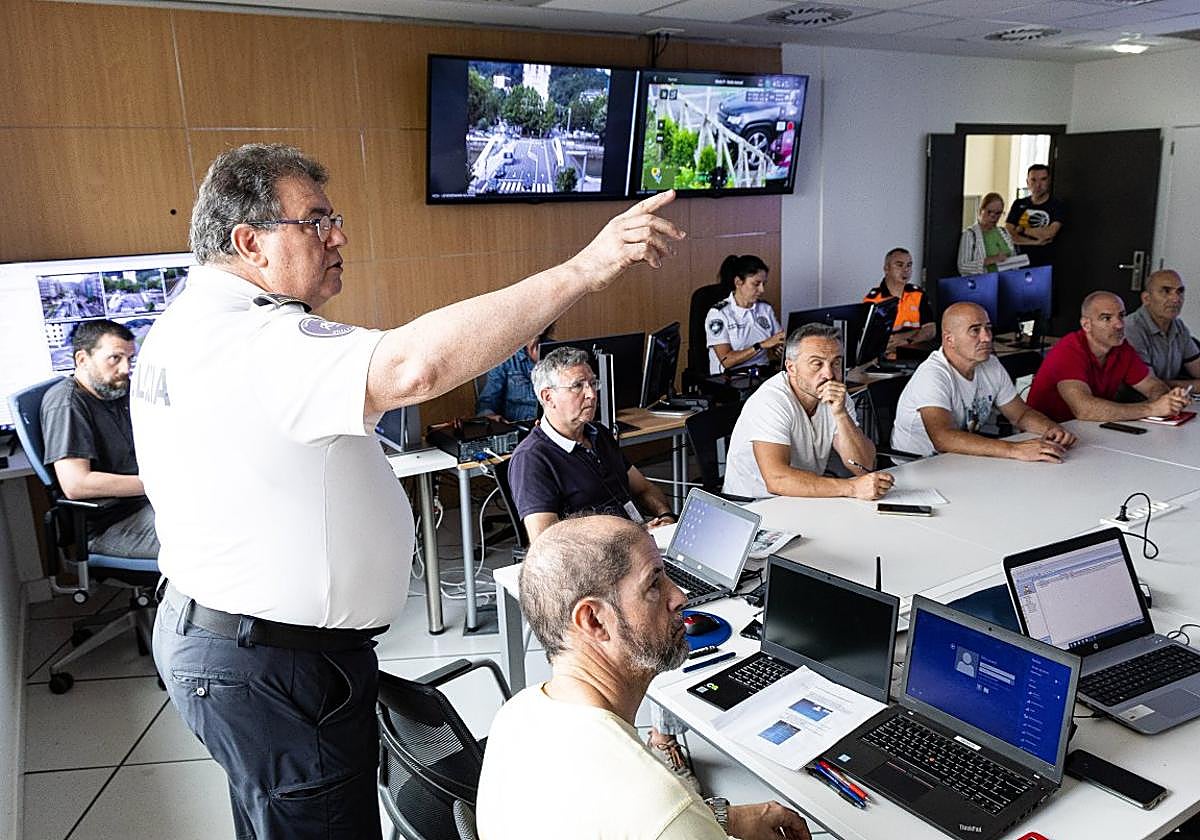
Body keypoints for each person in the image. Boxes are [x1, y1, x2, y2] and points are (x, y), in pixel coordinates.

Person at [132, 143, 683, 840]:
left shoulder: (187, 325)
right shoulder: (254, 340)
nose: (339, 237)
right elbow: (416, 367)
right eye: (316, 221)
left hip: (230, 643)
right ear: (250, 241)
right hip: (273, 664)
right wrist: (585, 269)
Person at [475, 514, 812, 840]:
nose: (680, 597)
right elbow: (657, 818)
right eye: (654, 584)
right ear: (593, 621)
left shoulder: (515, 715)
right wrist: (687, 821)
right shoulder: (659, 806)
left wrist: (717, 818)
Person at [723, 323, 892, 500]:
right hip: (756, 505)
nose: (829, 374)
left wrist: (841, 415)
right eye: (816, 364)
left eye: (836, 363)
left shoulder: (835, 394)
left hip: (802, 498)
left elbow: (864, 466)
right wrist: (851, 487)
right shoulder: (770, 401)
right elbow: (777, 480)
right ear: (791, 368)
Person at [892, 302, 1077, 460]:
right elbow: (943, 439)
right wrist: (1015, 450)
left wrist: (1051, 429)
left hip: (959, 461)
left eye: (988, 328)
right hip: (919, 466)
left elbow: (1020, 414)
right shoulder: (932, 375)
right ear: (949, 339)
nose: (987, 337)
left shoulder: (990, 364)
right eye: (975, 331)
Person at [40, 319, 159, 558]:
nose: (126, 369)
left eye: (129, 359)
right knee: (216, 539)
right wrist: (160, 484)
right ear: (82, 360)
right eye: (115, 358)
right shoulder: (67, 404)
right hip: (113, 525)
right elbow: (76, 484)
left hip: (143, 507)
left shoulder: (114, 391)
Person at [1026, 291, 1189, 423]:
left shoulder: (1121, 348)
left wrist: (1167, 401)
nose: (1119, 324)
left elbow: (1153, 385)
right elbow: (1084, 409)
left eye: (1121, 316)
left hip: (1091, 430)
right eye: (1106, 318)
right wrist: (1151, 408)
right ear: (1086, 325)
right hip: (1048, 433)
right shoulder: (1069, 350)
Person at [705, 254, 784, 374]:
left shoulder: (765, 309)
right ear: (738, 282)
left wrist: (780, 349)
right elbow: (726, 361)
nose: (762, 290)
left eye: (764, 284)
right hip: (731, 379)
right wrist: (761, 346)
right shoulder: (718, 314)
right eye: (756, 284)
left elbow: (778, 340)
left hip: (762, 374)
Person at [1124, 269, 1200, 389]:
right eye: (1166, 291)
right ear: (1146, 298)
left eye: (1180, 291)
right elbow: (1149, 386)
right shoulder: (1131, 329)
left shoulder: (1179, 327)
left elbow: (1197, 368)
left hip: (1166, 400)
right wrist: (1193, 385)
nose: (1176, 299)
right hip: (1134, 403)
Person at [475, 322, 555, 422]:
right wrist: (491, 416)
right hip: (517, 428)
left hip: (550, 426)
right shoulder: (505, 355)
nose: (542, 320)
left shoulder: (556, 351)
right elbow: (487, 401)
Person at [862, 247, 935, 349]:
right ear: (886, 268)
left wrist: (905, 340)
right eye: (899, 265)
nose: (906, 270)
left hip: (916, 354)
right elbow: (874, 340)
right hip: (887, 358)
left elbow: (930, 330)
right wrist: (917, 332)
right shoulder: (873, 300)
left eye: (909, 265)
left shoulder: (918, 294)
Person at [1005, 164, 1066, 268]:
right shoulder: (1019, 204)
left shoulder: (1056, 205)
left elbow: (1049, 234)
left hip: (1044, 265)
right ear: (1027, 182)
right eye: (1033, 180)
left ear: (1049, 181)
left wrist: (1022, 230)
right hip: (1018, 263)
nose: (1038, 185)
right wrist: (1035, 242)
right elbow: (1008, 235)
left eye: (1043, 179)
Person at [957, 192, 1017, 275]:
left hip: (1006, 281)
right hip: (983, 283)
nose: (993, 216)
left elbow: (1013, 256)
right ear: (981, 211)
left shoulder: (1004, 232)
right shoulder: (970, 234)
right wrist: (990, 260)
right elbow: (962, 267)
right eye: (989, 212)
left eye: (998, 213)